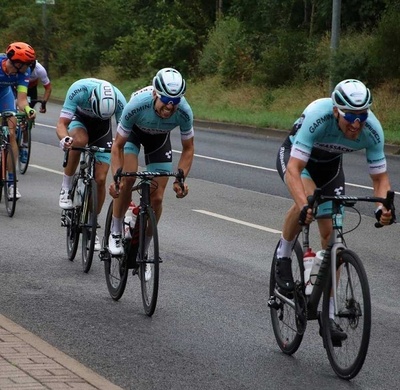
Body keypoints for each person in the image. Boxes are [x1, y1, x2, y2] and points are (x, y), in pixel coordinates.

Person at [275, 79, 394, 340]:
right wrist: (305, 204)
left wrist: (381, 207)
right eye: (350, 115)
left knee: (331, 238)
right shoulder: (318, 115)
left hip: (330, 169)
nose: (356, 123)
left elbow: (380, 179)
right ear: (336, 111)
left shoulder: (371, 130)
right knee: (305, 201)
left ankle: (328, 317)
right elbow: (294, 169)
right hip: (298, 161)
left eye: (362, 115)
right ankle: (283, 255)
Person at [108, 67, 194, 256]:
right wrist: (116, 178)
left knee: (157, 197)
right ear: (155, 94)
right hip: (134, 135)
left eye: (175, 102)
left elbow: (188, 148)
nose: (170, 107)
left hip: (159, 140)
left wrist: (180, 179)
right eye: (166, 101)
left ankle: (144, 249)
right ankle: (115, 230)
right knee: (128, 179)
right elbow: (117, 146)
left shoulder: (185, 112)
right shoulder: (137, 104)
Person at [56, 78, 127, 251]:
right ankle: (66, 188)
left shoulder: (120, 101)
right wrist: (65, 139)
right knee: (80, 140)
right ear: (92, 99)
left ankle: (91, 224)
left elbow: (123, 138)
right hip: (79, 119)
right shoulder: (78, 90)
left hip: (102, 127)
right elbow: (61, 124)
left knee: (101, 178)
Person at [0, 42, 37, 199]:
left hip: (4, 95)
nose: (29, 66)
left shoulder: (24, 71)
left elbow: (21, 99)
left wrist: (28, 110)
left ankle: (11, 183)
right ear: (16, 62)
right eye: (27, 63)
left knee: (12, 134)